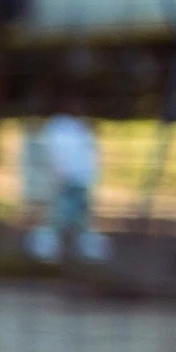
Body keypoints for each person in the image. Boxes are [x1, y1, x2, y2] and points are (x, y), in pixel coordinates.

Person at [26, 94, 106, 264]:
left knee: (80, 218)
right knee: (57, 217)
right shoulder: (58, 127)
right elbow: (54, 154)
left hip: (80, 180)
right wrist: (58, 175)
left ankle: (83, 250)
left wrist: (88, 176)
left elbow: (88, 155)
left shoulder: (80, 128)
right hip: (64, 180)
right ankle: (46, 249)